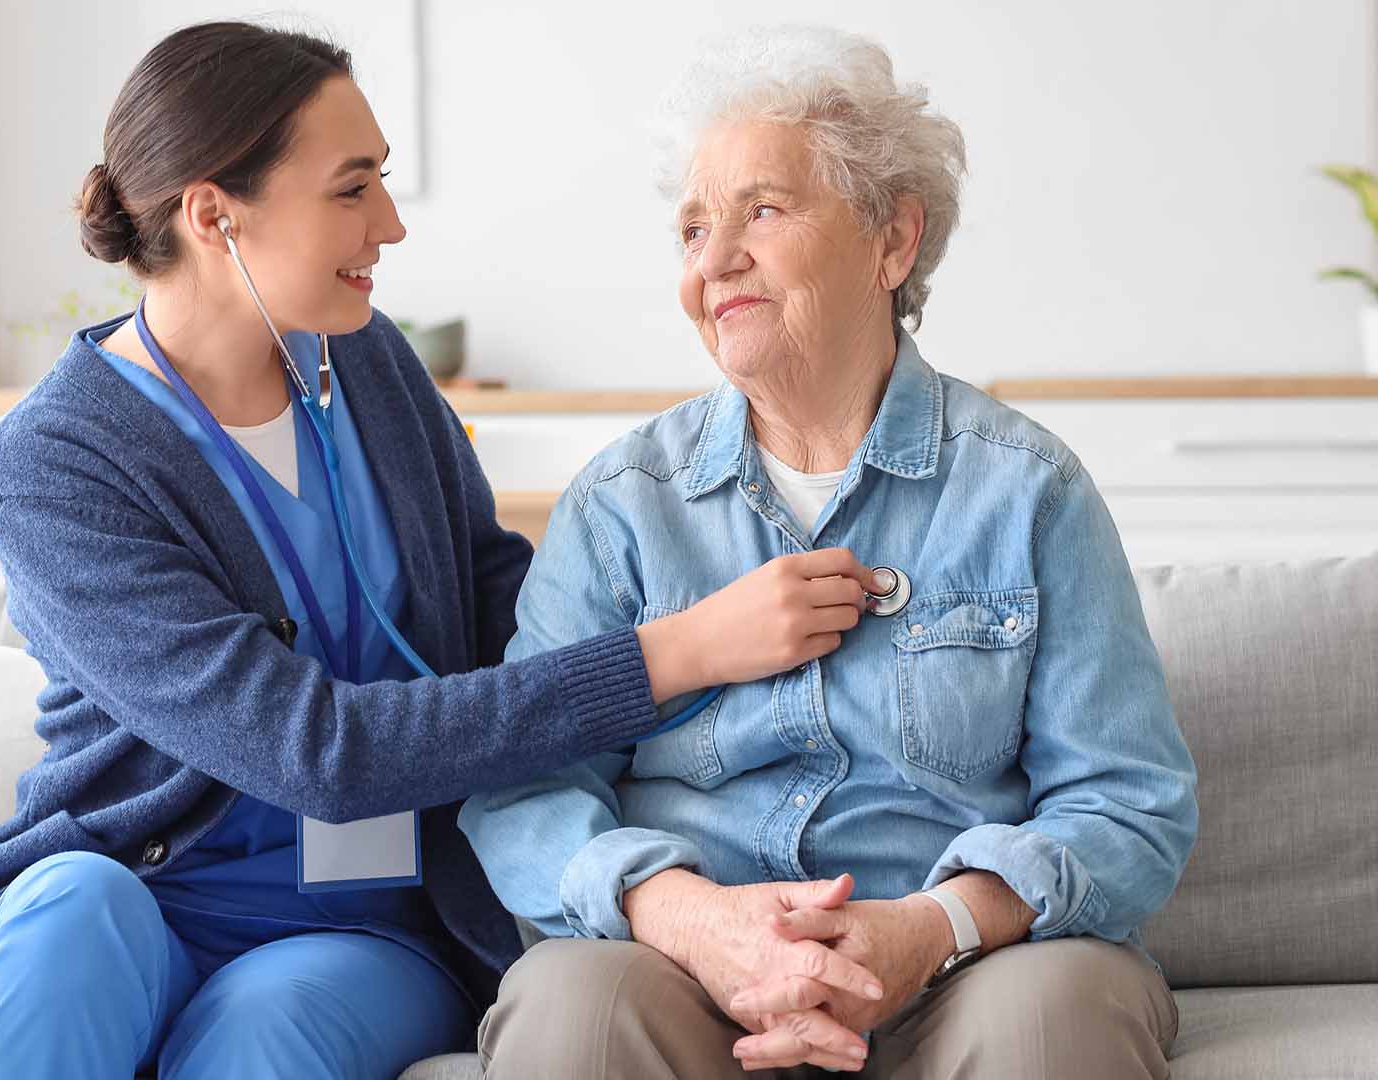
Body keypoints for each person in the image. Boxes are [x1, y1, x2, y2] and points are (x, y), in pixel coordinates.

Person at [0, 21, 887, 1080]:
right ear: (216, 215)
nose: (391, 224)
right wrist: (681, 651)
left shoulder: (373, 366)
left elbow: (506, 613)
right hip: (131, 889)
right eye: (353, 190)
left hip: (354, 927)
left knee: (275, 1027)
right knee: (71, 923)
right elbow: (317, 752)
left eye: (384, 183)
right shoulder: (59, 461)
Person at [460, 25, 1198, 1079]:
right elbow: (524, 788)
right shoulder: (624, 506)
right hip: (689, 978)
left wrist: (934, 927)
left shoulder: (1027, 490)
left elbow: (1129, 802)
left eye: (760, 211)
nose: (712, 264)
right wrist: (701, 925)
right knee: (571, 1007)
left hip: (964, 971)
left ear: (892, 242)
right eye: (691, 229)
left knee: (1057, 1015)